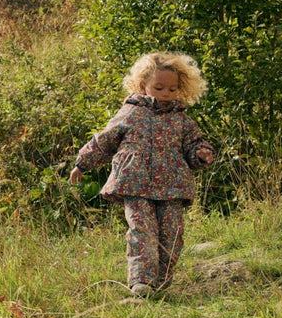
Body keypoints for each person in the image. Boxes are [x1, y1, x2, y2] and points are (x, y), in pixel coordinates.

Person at [70, 52, 215, 297]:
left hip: (172, 188)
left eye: (172, 89)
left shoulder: (182, 120)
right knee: (142, 231)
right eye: (159, 88)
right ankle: (142, 283)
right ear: (143, 85)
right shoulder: (131, 113)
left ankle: (161, 282)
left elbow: (193, 145)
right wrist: (82, 163)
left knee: (172, 235)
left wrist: (201, 154)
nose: (166, 94)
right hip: (135, 184)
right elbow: (104, 141)